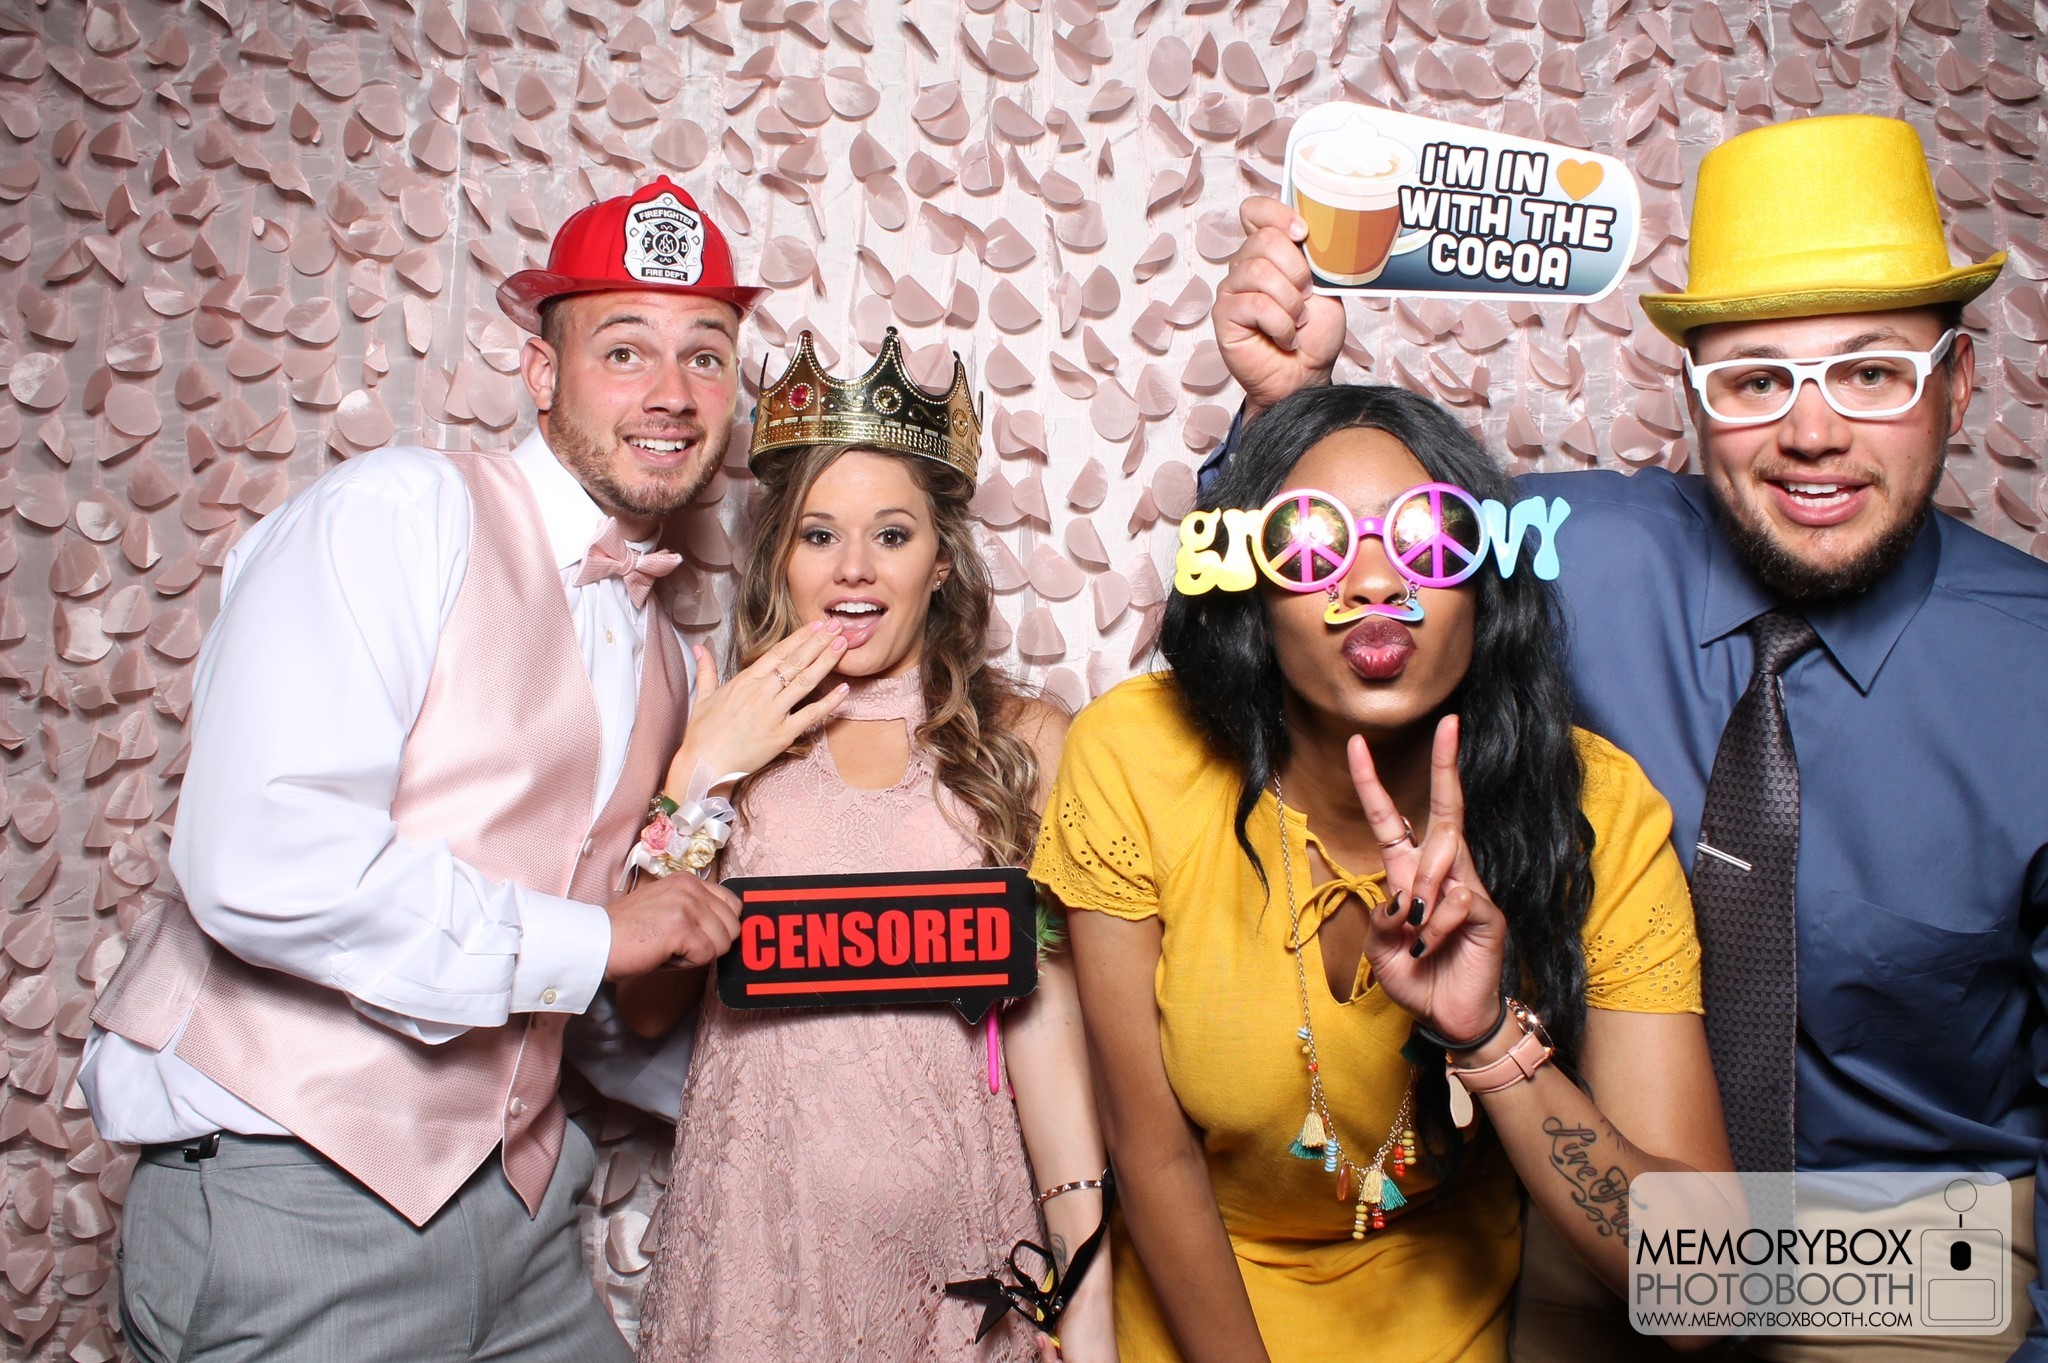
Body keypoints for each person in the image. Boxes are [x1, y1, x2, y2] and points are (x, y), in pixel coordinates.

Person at [1211, 113, 2048, 1360]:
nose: (1810, 433)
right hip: (1596, 1204)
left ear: (1957, 383)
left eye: (1870, 374)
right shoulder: (1572, 554)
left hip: (1923, 1245)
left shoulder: (2032, 672)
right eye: (1754, 379)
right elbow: (1346, 575)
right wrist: (1288, 405)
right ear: (1691, 396)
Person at [81, 177, 769, 1361]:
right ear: (540, 372)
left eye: (704, 356)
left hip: (518, 1213)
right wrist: (598, 937)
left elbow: (582, 1003)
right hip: (293, 1192)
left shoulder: (662, 653)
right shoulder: (398, 516)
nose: (671, 392)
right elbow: (263, 861)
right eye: (624, 350)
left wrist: (815, 1101)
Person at [1032, 379, 1731, 1362]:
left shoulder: (1595, 809)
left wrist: (1487, 1037)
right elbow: (1152, 1157)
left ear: (1487, 580)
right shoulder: (1135, 757)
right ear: (1248, 588)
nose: (1371, 585)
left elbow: (1704, 1291)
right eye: (1312, 546)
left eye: (1428, 541)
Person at [621, 330, 1116, 1361]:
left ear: (941, 563)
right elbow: (647, 1008)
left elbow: (1057, 1032)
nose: (853, 567)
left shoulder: (1023, 744)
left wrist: (1086, 1286)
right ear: (779, 560)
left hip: (965, 1262)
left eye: (891, 534)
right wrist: (696, 778)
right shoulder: (723, 732)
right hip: (758, 1258)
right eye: (818, 535)